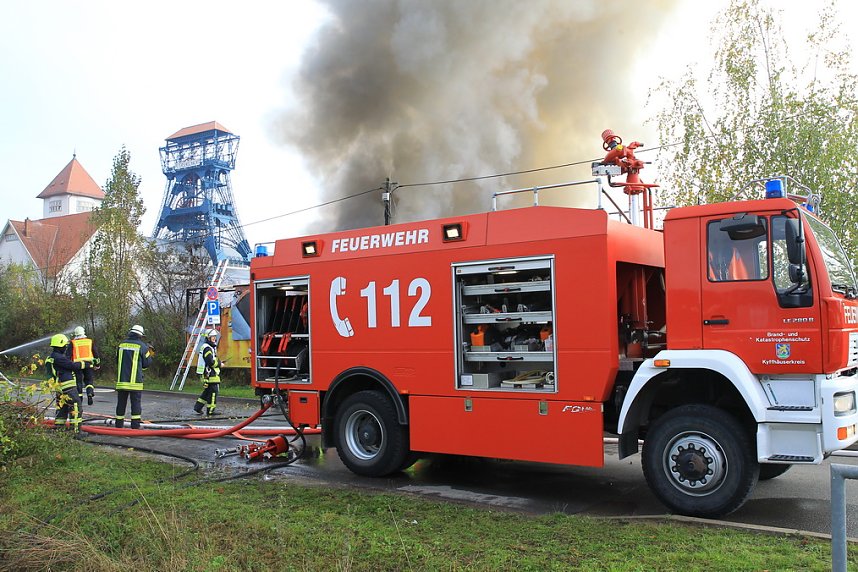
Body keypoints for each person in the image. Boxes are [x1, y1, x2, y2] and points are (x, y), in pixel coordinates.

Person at [46, 333, 91, 431]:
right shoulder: (59, 358)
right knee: (76, 407)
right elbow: (72, 365)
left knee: (62, 408)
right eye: (65, 346)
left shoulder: (52, 357)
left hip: (60, 389)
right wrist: (86, 364)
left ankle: (59, 429)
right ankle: (76, 431)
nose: (66, 348)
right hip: (68, 388)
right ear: (60, 345)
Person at [115, 324, 152, 429]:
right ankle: (135, 426)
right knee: (135, 404)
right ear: (140, 335)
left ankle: (118, 426)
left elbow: (117, 361)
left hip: (122, 381)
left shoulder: (121, 345)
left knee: (121, 404)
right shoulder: (142, 346)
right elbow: (147, 363)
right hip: (135, 382)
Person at [194, 329, 226, 416]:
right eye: (213, 337)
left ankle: (198, 407)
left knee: (207, 391)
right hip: (209, 374)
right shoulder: (207, 348)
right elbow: (210, 362)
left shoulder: (208, 347)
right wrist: (220, 364)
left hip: (207, 373)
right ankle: (211, 410)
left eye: (215, 337)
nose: (214, 338)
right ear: (208, 338)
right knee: (213, 391)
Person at [67, 325, 100, 406]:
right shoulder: (89, 341)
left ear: (75, 334)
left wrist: (68, 366)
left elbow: (68, 355)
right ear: (83, 333)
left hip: (77, 365)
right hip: (89, 365)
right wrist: (97, 364)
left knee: (79, 382)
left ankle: (80, 399)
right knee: (89, 381)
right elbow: (96, 354)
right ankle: (89, 393)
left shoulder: (72, 342)